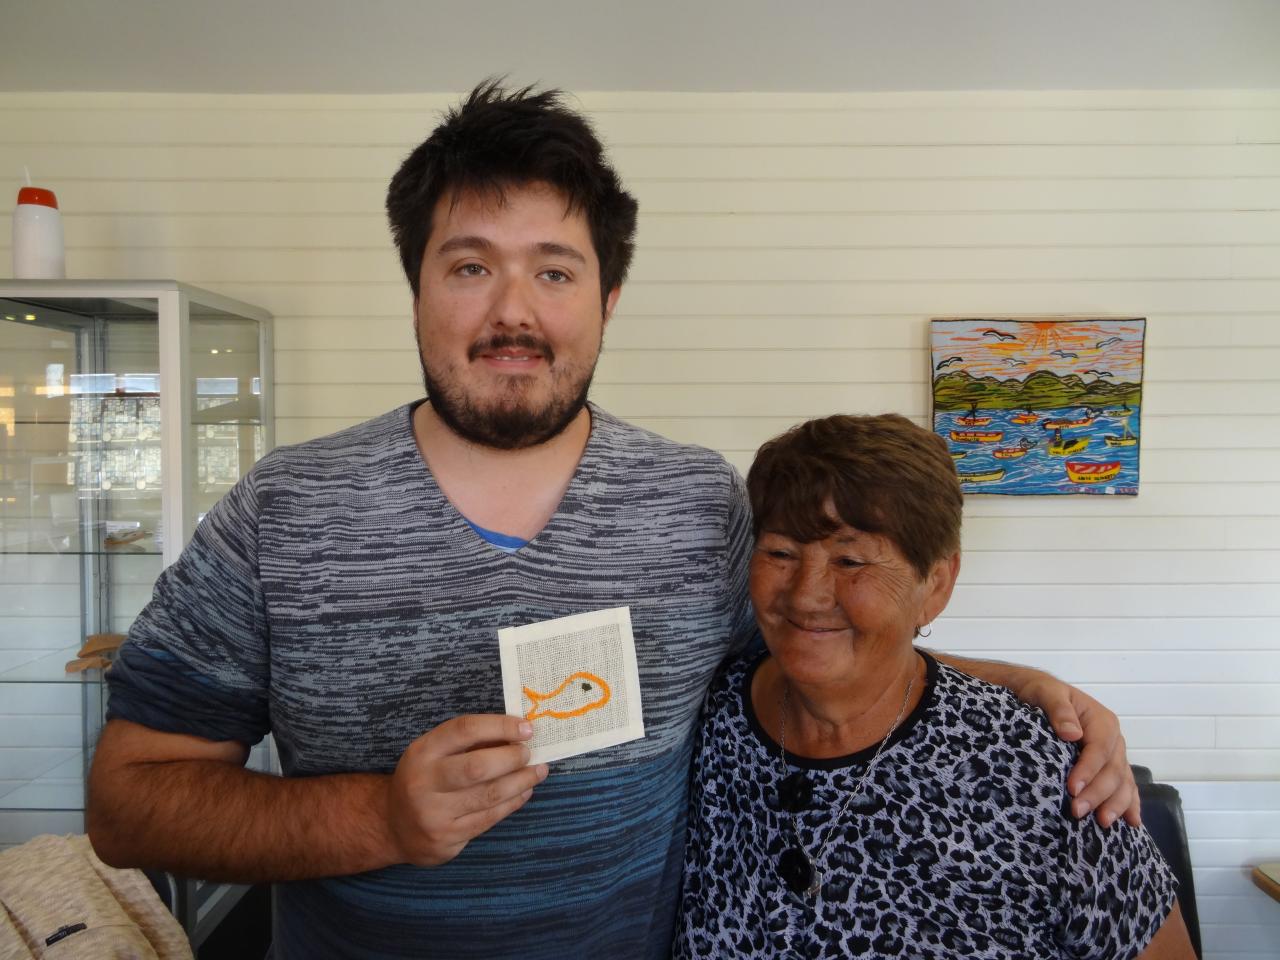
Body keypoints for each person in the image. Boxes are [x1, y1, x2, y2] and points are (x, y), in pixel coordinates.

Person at [87, 81, 1138, 959]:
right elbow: (128, 803)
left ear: (606, 297)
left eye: (554, 269)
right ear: (415, 288)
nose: (513, 312)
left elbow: (808, 652)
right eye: (468, 266)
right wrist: (380, 819)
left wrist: (1019, 694)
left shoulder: (698, 503)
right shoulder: (282, 512)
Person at [673, 414, 1195, 958]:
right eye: (780, 552)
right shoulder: (707, 718)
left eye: (850, 560)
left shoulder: (1036, 768)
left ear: (936, 584)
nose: (806, 595)